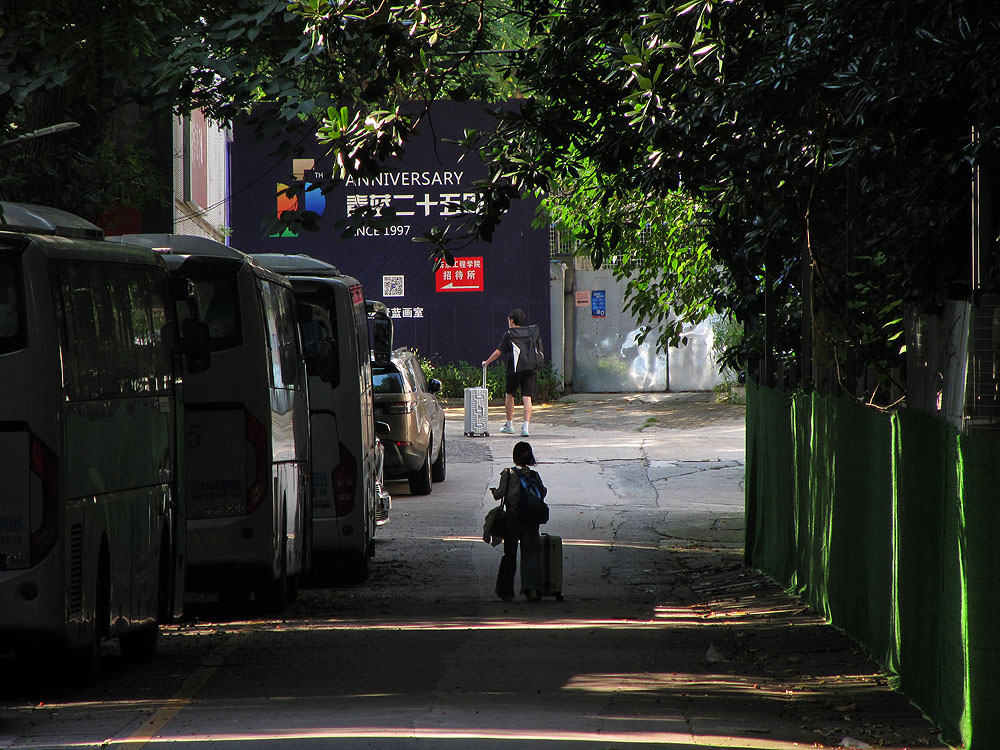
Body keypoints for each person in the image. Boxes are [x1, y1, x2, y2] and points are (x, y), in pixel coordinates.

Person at [491, 441, 546, 602]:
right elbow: (542, 493)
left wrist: (495, 492)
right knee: (531, 555)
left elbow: (499, 494)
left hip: (513, 520)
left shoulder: (508, 474)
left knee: (510, 555)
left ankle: (506, 591)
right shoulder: (535, 476)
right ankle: (533, 590)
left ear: (514, 457)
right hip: (531, 520)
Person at [482, 308, 542, 436]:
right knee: (527, 397)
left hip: (515, 369)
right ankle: (525, 428)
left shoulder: (509, 333)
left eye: (509, 319)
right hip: (530, 368)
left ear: (512, 320)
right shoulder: (530, 332)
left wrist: (487, 362)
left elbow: (498, 352)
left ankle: (509, 425)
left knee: (510, 395)